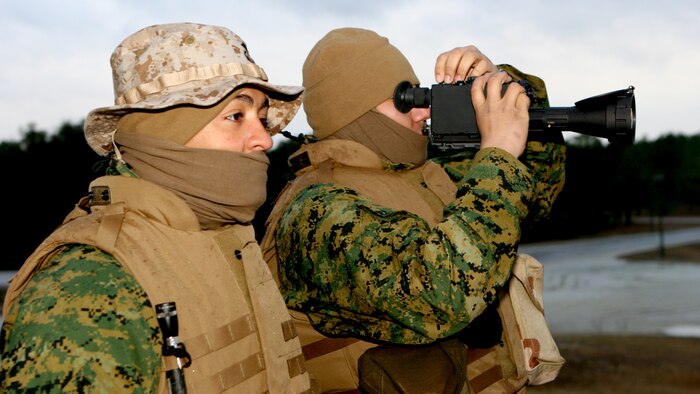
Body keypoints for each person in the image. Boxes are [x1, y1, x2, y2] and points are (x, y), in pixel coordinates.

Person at [0, 23, 312, 393]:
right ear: (164, 134)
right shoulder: (91, 282)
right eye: (235, 116)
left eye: (261, 119)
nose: (264, 138)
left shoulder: (233, 242)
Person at [261, 27, 566, 392]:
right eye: (406, 98)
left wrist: (505, 89)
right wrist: (497, 153)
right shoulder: (316, 213)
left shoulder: (423, 178)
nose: (424, 110)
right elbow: (443, 294)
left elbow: (536, 188)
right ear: (356, 114)